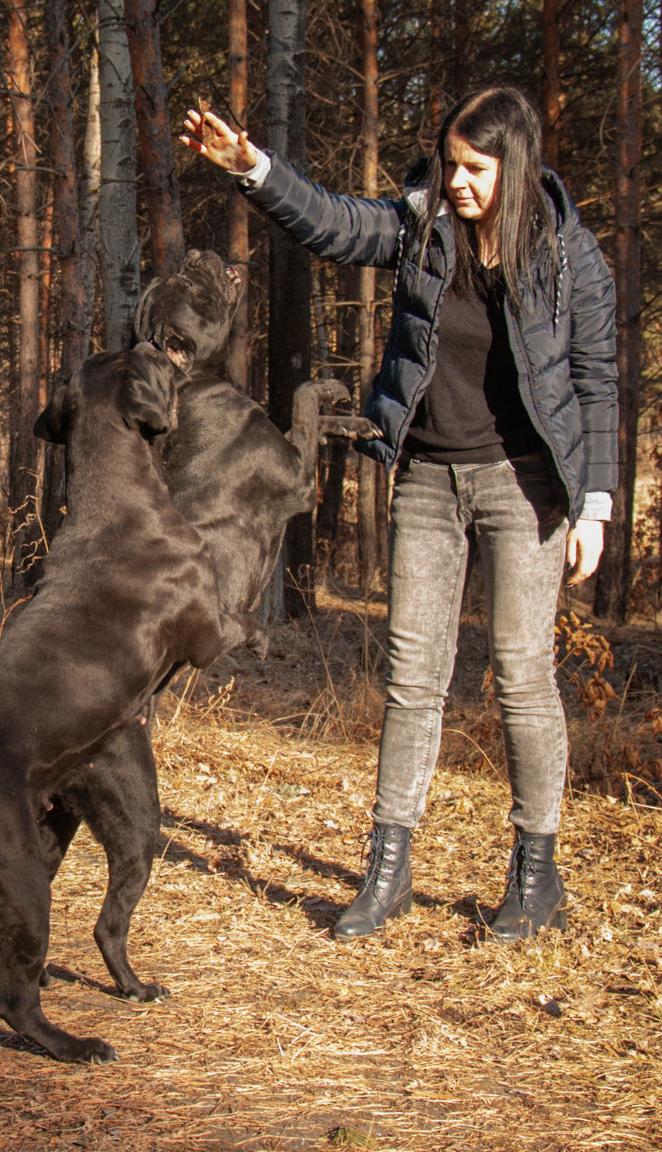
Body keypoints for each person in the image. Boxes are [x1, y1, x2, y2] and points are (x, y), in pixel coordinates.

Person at [180, 87, 618, 942]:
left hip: (526, 488)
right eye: (451, 162)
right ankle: (389, 870)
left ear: (515, 167)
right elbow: (335, 223)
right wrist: (252, 167)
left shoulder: (569, 255)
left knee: (523, 676)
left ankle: (536, 872)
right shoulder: (423, 225)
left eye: (476, 169)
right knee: (412, 678)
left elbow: (598, 380)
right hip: (426, 478)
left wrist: (596, 506)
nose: (457, 181)